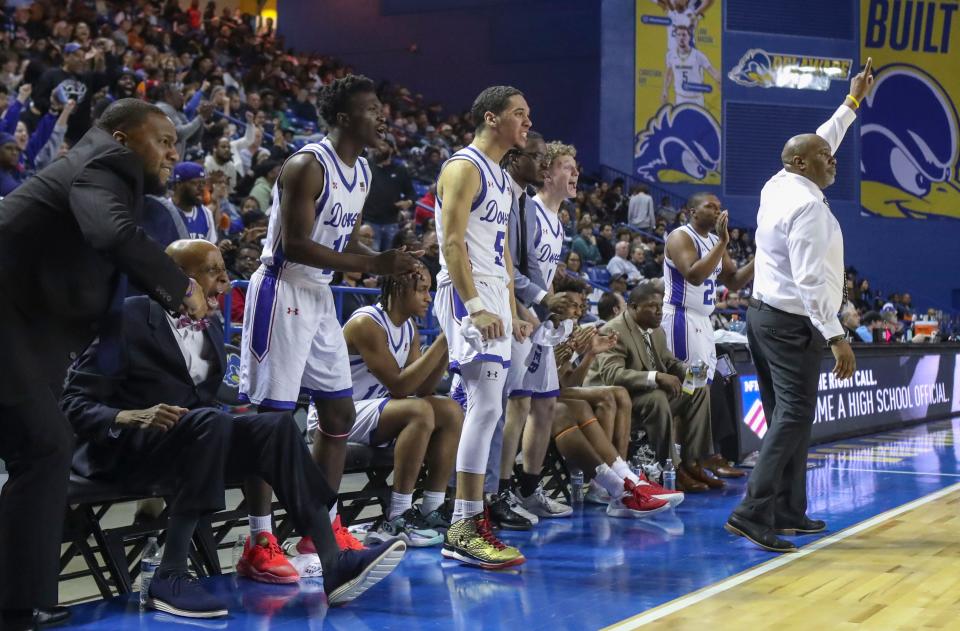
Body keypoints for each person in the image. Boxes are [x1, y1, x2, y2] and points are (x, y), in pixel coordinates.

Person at [61, 239, 407, 617]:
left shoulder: (210, 326)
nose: (226, 280)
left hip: (189, 446)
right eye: (213, 271)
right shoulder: (129, 317)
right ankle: (170, 573)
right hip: (125, 448)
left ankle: (333, 561)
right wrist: (127, 416)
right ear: (177, 278)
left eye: (225, 270)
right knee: (211, 421)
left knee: (274, 427)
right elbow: (73, 403)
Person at [0, 98, 208, 630]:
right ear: (121, 137)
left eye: (175, 143)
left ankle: (18, 599)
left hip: (27, 333)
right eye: (161, 140)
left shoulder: (104, 172)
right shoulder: (102, 166)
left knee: (40, 450)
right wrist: (179, 285)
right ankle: (16, 605)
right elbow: (111, 235)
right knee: (45, 447)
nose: (172, 152)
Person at [238, 75, 421, 554]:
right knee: (271, 421)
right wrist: (370, 264)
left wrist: (390, 255)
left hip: (319, 297)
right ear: (344, 118)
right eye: (372, 109)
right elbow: (294, 244)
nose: (383, 116)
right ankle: (259, 539)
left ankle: (318, 526)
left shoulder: (360, 171)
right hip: (281, 289)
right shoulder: (307, 165)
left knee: (338, 411)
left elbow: (339, 239)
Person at [725, 59, 874, 553]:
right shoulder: (807, 205)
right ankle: (752, 512)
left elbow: (820, 137)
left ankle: (788, 510)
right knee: (792, 416)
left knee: (784, 414)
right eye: (825, 158)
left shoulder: (780, 182)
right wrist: (836, 335)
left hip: (764, 316)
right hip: (793, 323)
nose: (834, 160)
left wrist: (852, 102)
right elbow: (810, 280)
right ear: (802, 164)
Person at [433, 85, 532, 569]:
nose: (527, 122)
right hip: (465, 291)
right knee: (488, 407)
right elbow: (453, 243)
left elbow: (503, 250)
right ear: (491, 118)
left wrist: (512, 307)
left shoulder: (500, 175)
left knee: (470, 404)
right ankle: (464, 523)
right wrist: (475, 306)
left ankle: (438, 506)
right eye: (519, 114)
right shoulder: (464, 166)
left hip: (493, 292)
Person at [339, 266, 462, 545]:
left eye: (429, 290)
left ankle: (432, 507)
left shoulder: (408, 327)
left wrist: (449, 342)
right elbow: (400, 387)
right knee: (419, 411)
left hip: (378, 412)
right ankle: (398, 514)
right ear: (397, 289)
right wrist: (444, 339)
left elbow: (423, 388)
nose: (428, 297)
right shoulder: (366, 323)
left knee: (450, 410)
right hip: (340, 414)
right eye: (421, 290)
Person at [500, 141, 580, 523]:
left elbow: (541, 275)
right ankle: (500, 492)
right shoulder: (527, 209)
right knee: (517, 404)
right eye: (568, 166)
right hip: (520, 317)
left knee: (545, 404)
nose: (575, 173)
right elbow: (509, 270)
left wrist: (556, 313)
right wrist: (535, 307)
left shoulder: (558, 221)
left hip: (540, 321)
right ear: (546, 173)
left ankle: (529, 489)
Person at [585, 282, 713, 492]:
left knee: (699, 390)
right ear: (633, 307)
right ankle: (672, 468)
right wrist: (656, 377)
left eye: (661, 305)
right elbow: (612, 375)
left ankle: (693, 462)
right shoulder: (613, 330)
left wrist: (689, 372)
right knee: (657, 398)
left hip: (644, 396)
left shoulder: (656, 331)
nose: (659, 310)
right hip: (614, 401)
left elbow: (669, 362)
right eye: (652, 306)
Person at [663, 191, 754, 480]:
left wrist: (761, 256)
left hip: (703, 321)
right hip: (681, 318)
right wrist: (724, 242)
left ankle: (694, 459)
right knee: (688, 390)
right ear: (691, 211)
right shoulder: (680, 236)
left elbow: (734, 280)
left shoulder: (715, 241)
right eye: (710, 206)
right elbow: (693, 275)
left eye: (719, 206)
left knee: (700, 392)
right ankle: (678, 463)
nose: (718, 211)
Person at [362, 140, 417, 252]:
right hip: (369, 220)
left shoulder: (400, 169)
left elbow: (411, 193)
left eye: (381, 145)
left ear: (391, 149)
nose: (377, 148)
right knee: (371, 256)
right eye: (375, 145)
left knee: (389, 256)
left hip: (391, 222)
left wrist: (408, 202)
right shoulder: (365, 165)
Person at [661, 25, 721, 107]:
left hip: (696, 99)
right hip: (680, 98)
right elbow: (669, 75)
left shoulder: (698, 55)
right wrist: (665, 90)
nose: (681, 37)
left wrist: (721, 79)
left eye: (684, 35)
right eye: (678, 35)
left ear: (689, 37)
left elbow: (713, 72)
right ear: (675, 37)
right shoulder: (670, 55)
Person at [170, 162, 217, 243]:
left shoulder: (206, 214)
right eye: (195, 183)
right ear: (178, 184)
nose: (202, 189)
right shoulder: (163, 210)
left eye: (203, 183)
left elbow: (209, 250)